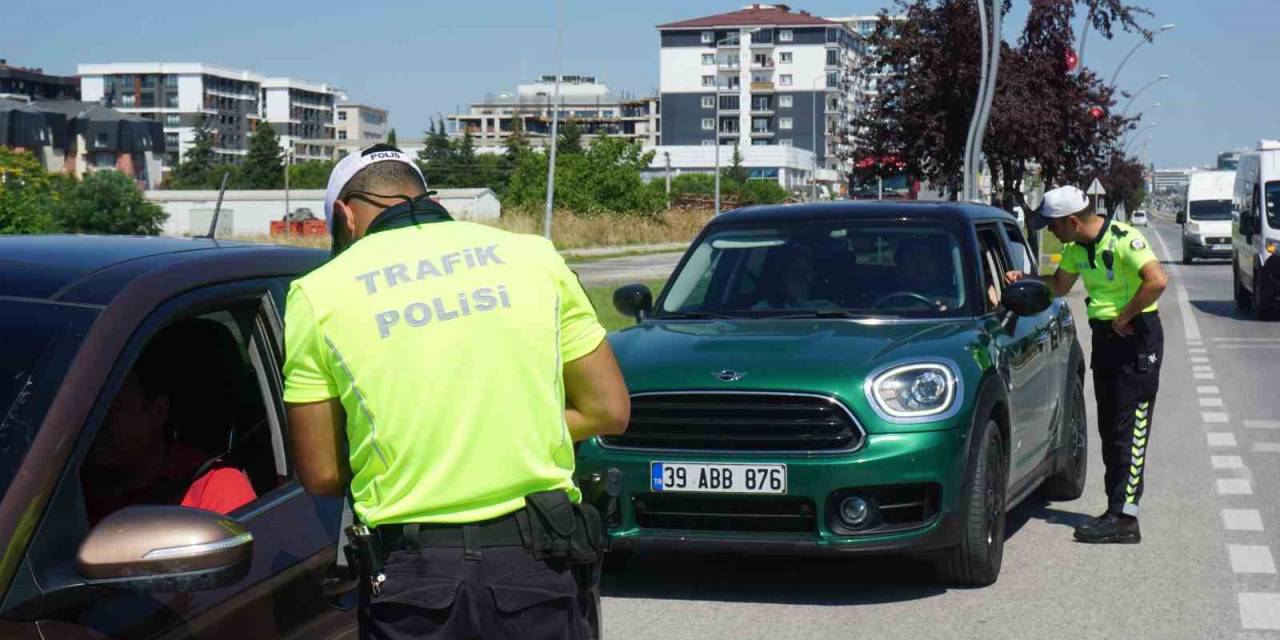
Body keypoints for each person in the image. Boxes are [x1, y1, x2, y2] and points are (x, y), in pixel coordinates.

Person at [283, 144, 630, 639]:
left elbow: (320, 473)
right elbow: (610, 410)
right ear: (430, 196)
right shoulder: (534, 257)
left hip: (414, 585)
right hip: (537, 569)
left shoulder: (318, 293)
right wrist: (503, 429)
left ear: (345, 217)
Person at [1006, 185, 1168, 544]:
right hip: (1107, 338)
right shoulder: (1075, 249)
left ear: (1073, 221)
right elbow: (1060, 286)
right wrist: (1025, 279)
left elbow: (1157, 281)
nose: (1049, 231)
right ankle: (1115, 510)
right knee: (1110, 428)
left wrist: (1125, 316)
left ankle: (1125, 519)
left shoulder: (1125, 238)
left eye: (1053, 225)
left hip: (1136, 337)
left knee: (1132, 429)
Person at [82, 321, 258, 524]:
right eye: (89, 408)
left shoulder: (213, 488)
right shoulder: (61, 485)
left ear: (157, 412)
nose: (94, 422)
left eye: (111, 408)